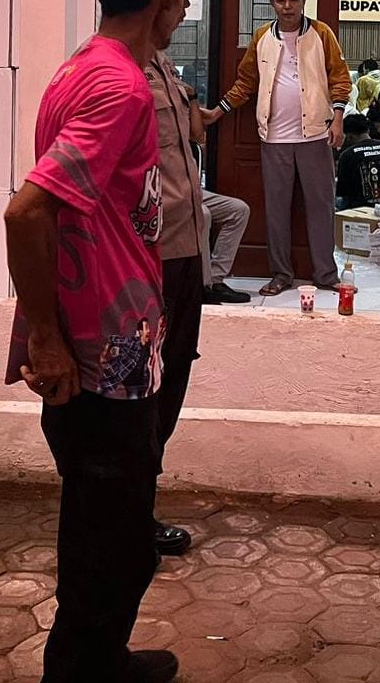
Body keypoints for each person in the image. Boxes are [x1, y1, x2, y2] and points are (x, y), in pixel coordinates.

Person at [3, 0, 199, 683]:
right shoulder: (120, 87)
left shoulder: (82, 67)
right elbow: (27, 211)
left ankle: (103, 660)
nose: (185, 2)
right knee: (111, 541)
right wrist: (46, 338)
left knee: (105, 526)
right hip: (101, 350)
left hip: (111, 338)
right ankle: (81, 669)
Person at [202, 0, 351, 295]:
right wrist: (217, 111)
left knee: (321, 207)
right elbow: (246, 83)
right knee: (277, 210)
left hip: (315, 135)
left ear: (303, 2)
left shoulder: (321, 34)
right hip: (274, 138)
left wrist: (338, 119)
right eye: (281, 0)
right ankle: (281, 274)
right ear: (272, 3)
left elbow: (340, 79)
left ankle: (326, 274)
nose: (287, 6)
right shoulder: (262, 38)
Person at [143, 45, 213, 559]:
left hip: (185, 248)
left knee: (170, 378)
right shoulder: (114, 73)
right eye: (178, 3)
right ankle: (128, 516)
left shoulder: (164, 67)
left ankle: (139, 506)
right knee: (140, 389)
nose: (186, 7)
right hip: (151, 257)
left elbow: (194, 135)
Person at [335, 112, 380, 208]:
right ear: (368, 131)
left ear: (348, 136)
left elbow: (342, 191)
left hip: (360, 208)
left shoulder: (348, 155)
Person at [200, 190, 251, 304]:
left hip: (192, 189)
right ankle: (204, 288)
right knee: (203, 215)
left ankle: (215, 280)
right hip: (168, 192)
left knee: (240, 210)